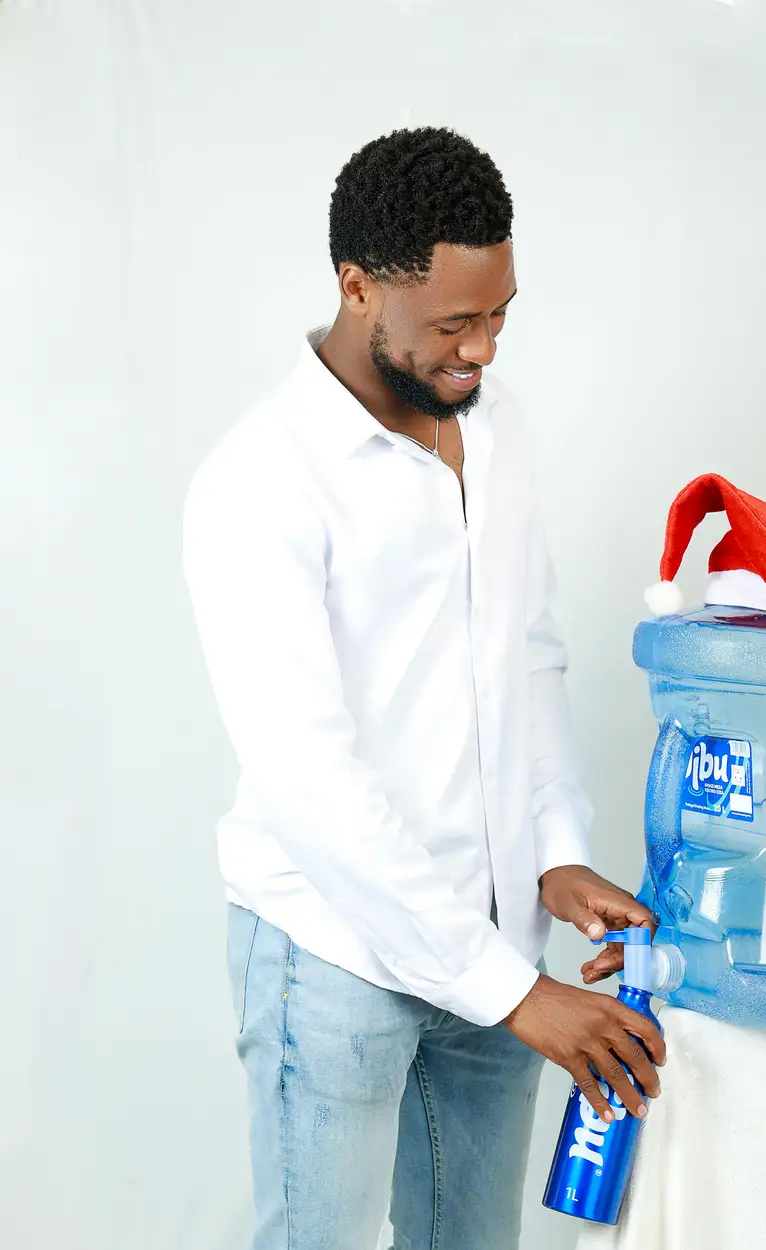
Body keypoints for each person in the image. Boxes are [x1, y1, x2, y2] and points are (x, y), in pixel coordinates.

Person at [182, 126, 665, 1250]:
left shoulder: (494, 433)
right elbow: (308, 774)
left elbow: (526, 648)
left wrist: (551, 845)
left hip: (492, 934)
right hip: (332, 951)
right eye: (454, 322)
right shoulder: (260, 481)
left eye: (499, 315)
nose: (483, 351)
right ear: (358, 288)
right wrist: (511, 987)